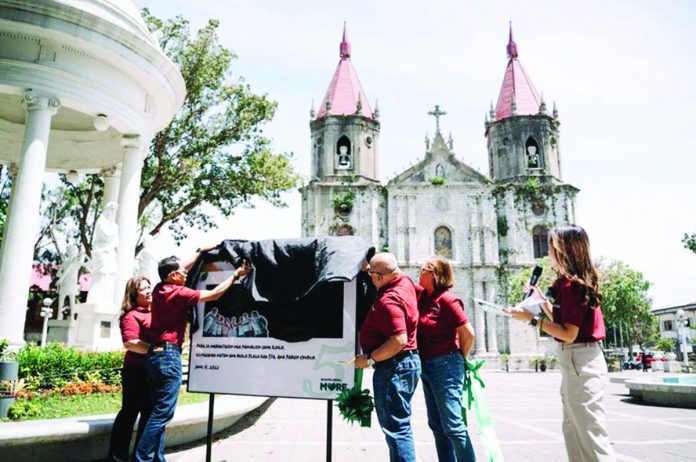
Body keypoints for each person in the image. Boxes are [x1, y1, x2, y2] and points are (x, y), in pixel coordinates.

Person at [506, 225, 615, 462]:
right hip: (574, 361)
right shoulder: (565, 283)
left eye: (551, 246)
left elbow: (569, 333)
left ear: (565, 249)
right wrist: (541, 302)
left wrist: (533, 320)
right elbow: (562, 320)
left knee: (590, 434)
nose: (548, 252)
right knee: (573, 431)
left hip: (580, 359)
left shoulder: (573, 286)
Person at [134, 251, 249, 462]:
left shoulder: (161, 288)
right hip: (168, 355)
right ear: (172, 276)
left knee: (157, 412)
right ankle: (142, 458)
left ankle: (157, 459)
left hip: (155, 356)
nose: (185, 274)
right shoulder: (177, 293)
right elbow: (213, 295)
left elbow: (182, 267)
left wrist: (201, 251)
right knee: (163, 413)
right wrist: (235, 275)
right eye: (180, 273)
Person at [355, 252, 421, 462]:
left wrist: (369, 359)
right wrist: (368, 269)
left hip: (393, 367)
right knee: (400, 426)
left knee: (396, 430)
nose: (371, 278)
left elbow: (398, 340)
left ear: (380, 277)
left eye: (372, 275)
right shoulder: (405, 282)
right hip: (406, 363)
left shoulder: (389, 299)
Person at [418, 256, 476, 462]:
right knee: (437, 425)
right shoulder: (425, 298)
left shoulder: (447, 300)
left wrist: (460, 357)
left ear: (434, 275)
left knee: (453, 425)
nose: (419, 271)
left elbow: (468, 332)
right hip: (428, 366)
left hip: (446, 365)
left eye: (423, 269)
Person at [107, 276, 154, 462]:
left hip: (153, 371)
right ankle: (117, 456)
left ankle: (140, 457)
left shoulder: (155, 312)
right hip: (136, 372)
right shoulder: (131, 315)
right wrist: (155, 349)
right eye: (144, 288)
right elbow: (130, 343)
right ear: (134, 295)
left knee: (149, 415)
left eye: (150, 286)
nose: (150, 290)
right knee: (129, 413)